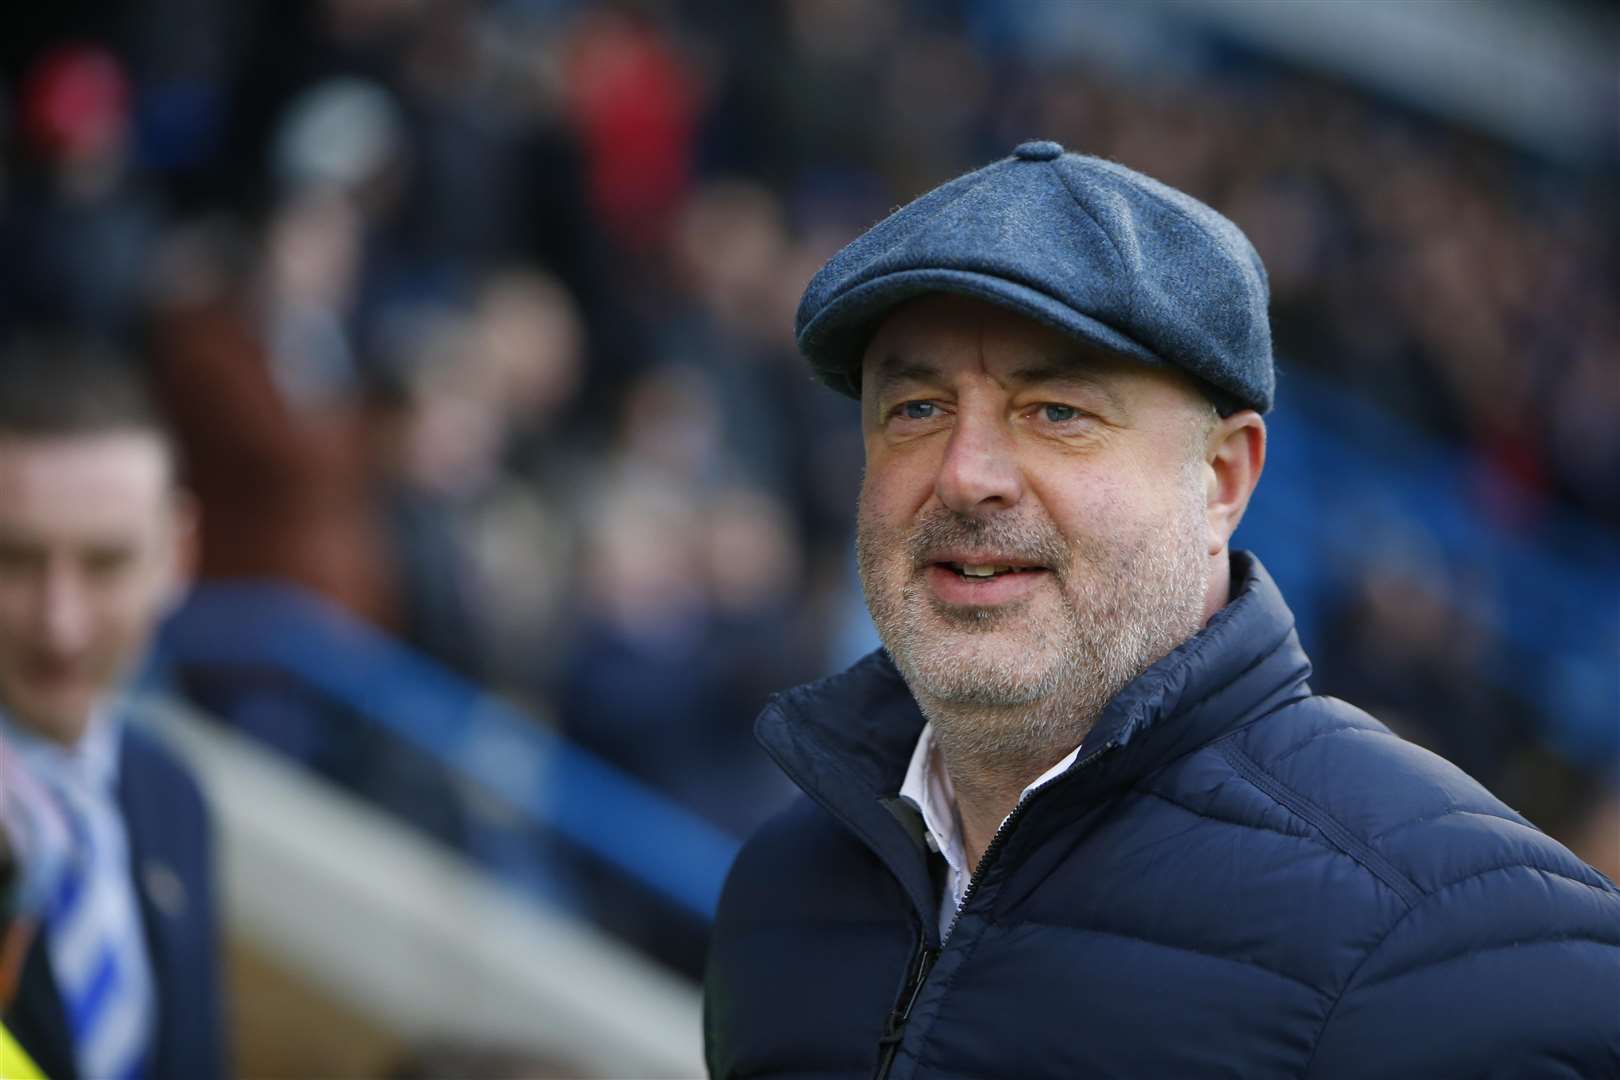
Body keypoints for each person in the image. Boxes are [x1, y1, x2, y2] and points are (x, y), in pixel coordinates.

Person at [703, 141, 1620, 1078]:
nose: (965, 474)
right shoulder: (780, 895)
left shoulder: (1459, 943)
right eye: (917, 409)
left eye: (1056, 410)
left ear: (1223, 481)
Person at [0, 342, 228, 1080]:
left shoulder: (173, 799)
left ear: (178, 557)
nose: (59, 622)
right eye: (13, 559)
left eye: (105, 564)